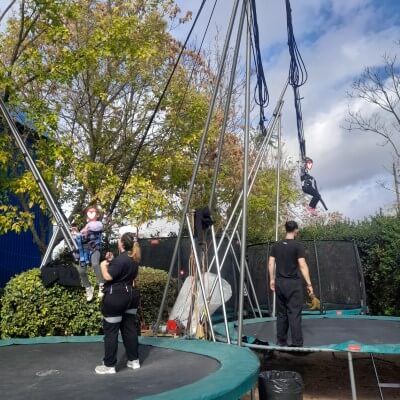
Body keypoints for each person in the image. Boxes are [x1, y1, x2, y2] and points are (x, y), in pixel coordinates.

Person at [95, 232, 141, 374]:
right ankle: (134, 360)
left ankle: (109, 365)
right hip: (131, 296)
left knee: (111, 331)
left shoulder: (121, 260)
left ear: (122, 243)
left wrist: (103, 265)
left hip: (116, 297)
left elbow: (108, 276)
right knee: (129, 327)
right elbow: (122, 270)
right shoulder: (134, 258)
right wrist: (113, 260)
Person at [268, 220, 314, 347]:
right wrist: (309, 285)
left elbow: (271, 263)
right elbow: (302, 265)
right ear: (296, 230)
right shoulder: (298, 246)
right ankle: (297, 344)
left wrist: (272, 279)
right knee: (294, 313)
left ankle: (281, 341)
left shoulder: (276, 245)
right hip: (293, 284)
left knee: (281, 314)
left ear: (285, 229)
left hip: (280, 283)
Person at [72, 206, 104, 301]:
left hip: (94, 249)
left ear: (97, 215)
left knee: (95, 264)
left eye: (93, 212)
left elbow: (96, 227)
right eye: (89, 212)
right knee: (81, 271)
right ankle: (88, 287)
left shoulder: (98, 224)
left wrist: (87, 227)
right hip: (84, 251)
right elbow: (80, 238)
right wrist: (76, 233)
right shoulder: (85, 227)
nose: (90, 213)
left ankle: (102, 285)